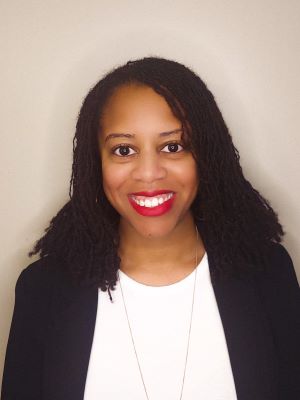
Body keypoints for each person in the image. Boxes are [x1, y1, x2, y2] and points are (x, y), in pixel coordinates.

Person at [1, 57, 300, 400]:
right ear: (95, 164)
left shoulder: (267, 273)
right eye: (124, 150)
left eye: (173, 146)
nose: (148, 174)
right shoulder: (43, 290)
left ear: (206, 155)